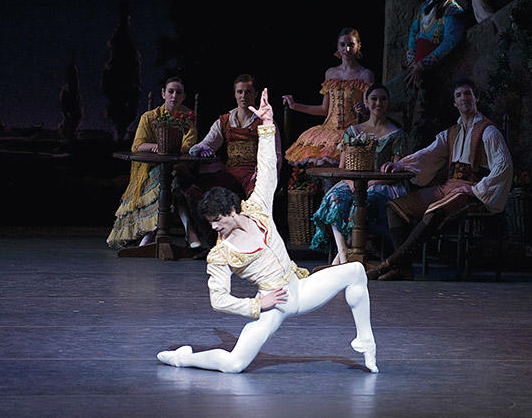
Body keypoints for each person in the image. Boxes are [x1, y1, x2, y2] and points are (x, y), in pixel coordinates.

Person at [157, 89, 378, 374]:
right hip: (276, 304)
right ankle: (182, 358)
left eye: (216, 220)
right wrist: (258, 303)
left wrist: (266, 126)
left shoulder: (257, 209)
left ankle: (365, 340)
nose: (213, 227)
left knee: (356, 272)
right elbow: (218, 300)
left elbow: (267, 170)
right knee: (235, 365)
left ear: (232, 211)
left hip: (302, 288)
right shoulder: (221, 254)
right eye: (209, 222)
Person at [368, 78, 513, 281]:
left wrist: (477, 189)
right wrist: (401, 165)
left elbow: (504, 165)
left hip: (469, 191)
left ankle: (389, 264)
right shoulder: (451, 133)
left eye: (468, 93)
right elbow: (428, 154)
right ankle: (404, 268)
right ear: (454, 103)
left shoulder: (488, 131)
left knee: (434, 211)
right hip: (448, 187)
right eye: (458, 95)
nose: (464, 98)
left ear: (476, 98)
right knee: (395, 208)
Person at [310, 84, 409, 268]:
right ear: (366, 102)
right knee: (335, 197)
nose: (378, 103)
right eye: (374, 99)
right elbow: (343, 167)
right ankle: (344, 254)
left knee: (364, 203)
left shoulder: (396, 134)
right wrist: (351, 183)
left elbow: (398, 170)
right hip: (352, 182)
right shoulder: (353, 131)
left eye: (383, 99)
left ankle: (345, 261)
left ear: (388, 103)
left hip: (382, 184)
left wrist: (371, 182)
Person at [107, 76, 201, 249]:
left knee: (173, 179)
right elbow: (138, 145)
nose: (174, 96)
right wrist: (156, 146)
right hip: (150, 168)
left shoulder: (187, 118)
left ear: (183, 96)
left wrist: (172, 147)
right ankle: (188, 231)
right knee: (168, 181)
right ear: (163, 93)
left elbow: (189, 145)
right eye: (170, 91)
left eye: (178, 92)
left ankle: (153, 236)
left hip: (178, 166)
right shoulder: (149, 117)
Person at [283, 27, 374, 167]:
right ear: (338, 47)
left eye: (351, 45)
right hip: (329, 132)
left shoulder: (365, 74)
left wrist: (364, 109)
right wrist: (295, 106)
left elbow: (370, 107)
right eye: (343, 45)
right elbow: (325, 109)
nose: (347, 49)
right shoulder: (331, 73)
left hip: (354, 131)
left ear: (358, 46)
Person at [189, 74, 282, 198]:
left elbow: (275, 154)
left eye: (248, 92)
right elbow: (208, 143)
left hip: (253, 174)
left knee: (257, 196)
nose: (243, 96)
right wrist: (200, 149)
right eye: (240, 92)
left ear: (255, 94)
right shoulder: (225, 121)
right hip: (231, 173)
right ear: (235, 94)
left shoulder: (264, 122)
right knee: (197, 190)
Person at [405, 0, 464, 91]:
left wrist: (422, 65)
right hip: (415, 65)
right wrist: (412, 61)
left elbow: (449, 43)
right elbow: (414, 32)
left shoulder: (454, 11)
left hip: (438, 70)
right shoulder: (424, 6)